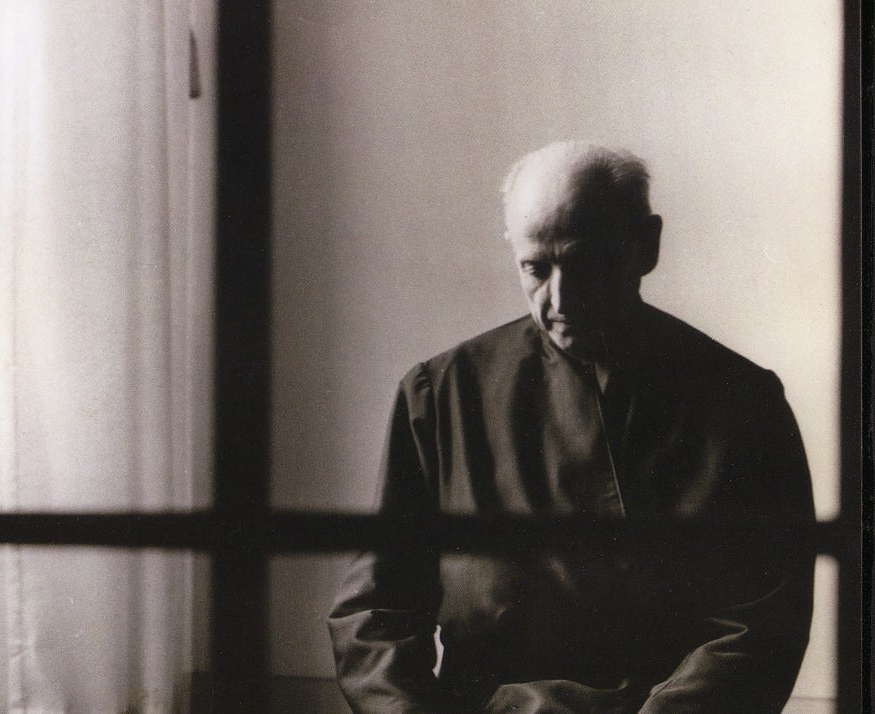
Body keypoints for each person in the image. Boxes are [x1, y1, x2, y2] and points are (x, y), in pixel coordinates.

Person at [328, 142, 815, 713]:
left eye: (585, 264)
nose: (560, 299)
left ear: (646, 245)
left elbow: (760, 624)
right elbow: (375, 613)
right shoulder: (438, 395)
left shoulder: (743, 402)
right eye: (536, 268)